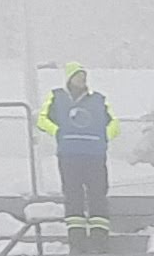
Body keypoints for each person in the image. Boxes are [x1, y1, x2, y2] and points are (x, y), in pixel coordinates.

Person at [46, 65, 112, 234]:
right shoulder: (56, 97)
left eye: (84, 76)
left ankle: (99, 238)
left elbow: (113, 123)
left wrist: (102, 137)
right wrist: (59, 133)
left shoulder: (98, 99)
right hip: (69, 154)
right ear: (69, 78)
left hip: (95, 154)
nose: (82, 79)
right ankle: (77, 238)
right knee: (73, 194)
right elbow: (42, 120)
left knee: (97, 193)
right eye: (78, 76)